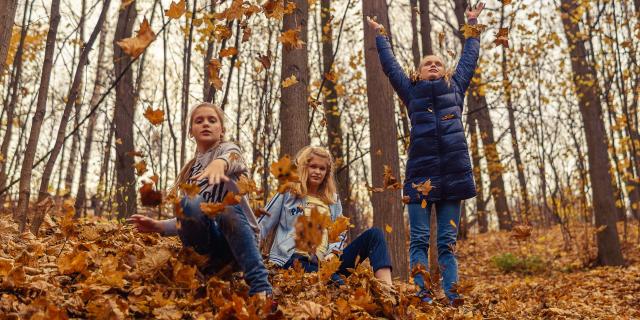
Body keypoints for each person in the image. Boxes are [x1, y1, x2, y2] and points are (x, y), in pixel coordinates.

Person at [366, 2, 486, 305]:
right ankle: (422, 297)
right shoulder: (411, 92)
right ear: (418, 72)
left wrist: (472, 26)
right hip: (421, 177)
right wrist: (381, 37)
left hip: (454, 176)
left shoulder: (455, 89)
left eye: (437, 63)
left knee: (447, 243)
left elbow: (469, 60)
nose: (433, 65)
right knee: (419, 239)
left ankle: (452, 296)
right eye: (427, 63)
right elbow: (390, 67)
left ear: (445, 71)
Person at [128, 102, 272, 297]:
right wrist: (158, 226)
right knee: (188, 203)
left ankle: (261, 286)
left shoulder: (227, 151)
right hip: (211, 249)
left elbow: (234, 156)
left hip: (241, 246)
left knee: (224, 208)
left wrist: (221, 164)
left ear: (221, 130)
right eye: (199, 121)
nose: (206, 124)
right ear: (191, 131)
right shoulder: (191, 171)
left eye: (212, 120)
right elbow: (191, 215)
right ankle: (207, 269)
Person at [259, 146, 393, 286]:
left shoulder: (333, 200)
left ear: (327, 173)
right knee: (339, 286)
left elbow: (339, 234)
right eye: (313, 167)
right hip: (294, 260)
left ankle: (387, 293)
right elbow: (262, 224)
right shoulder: (288, 193)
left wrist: (333, 253)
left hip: (326, 264)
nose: (317, 172)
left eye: (322, 168)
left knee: (375, 235)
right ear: (305, 167)